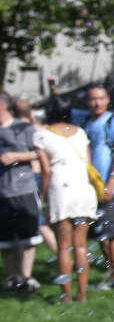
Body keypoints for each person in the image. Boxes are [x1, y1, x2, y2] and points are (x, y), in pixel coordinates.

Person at [34, 95, 98, 302]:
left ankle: (67, 295)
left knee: (64, 246)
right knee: (81, 245)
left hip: (60, 188)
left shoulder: (42, 135)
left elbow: (45, 171)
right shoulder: (80, 132)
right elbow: (88, 162)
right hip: (83, 188)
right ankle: (82, 293)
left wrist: (43, 199)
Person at [83, 85, 114, 288]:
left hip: (107, 186)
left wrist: (112, 182)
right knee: (100, 233)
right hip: (91, 187)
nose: (97, 103)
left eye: (101, 98)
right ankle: (111, 272)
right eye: (93, 99)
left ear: (107, 100)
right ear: (87, 102)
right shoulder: (87, 123)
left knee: (112, 232)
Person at [0, 92, 49, 291]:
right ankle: (13, 277)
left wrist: (16, 156)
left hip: (24, 189)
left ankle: (26, 277)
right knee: (4, 240)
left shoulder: (24, 128)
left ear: (3, 105)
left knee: (27, 237)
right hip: (1, 192)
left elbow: (40, 152)